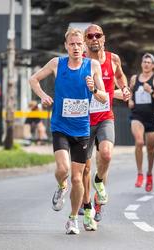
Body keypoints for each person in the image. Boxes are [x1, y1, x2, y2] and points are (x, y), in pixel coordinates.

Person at [29, 27, 107, 235]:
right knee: (63, 170)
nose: (75, 47)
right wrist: (43, 96)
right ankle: (61, 186)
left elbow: (104, 98)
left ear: (84, 47)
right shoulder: (57, 63)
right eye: (71, 44)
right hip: (61, 126)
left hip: (82, 129)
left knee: (77, 178)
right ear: (66, 46)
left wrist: (94, 89)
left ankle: (73, 219)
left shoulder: (93, 66)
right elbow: (33, 79)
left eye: (79, 44)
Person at [81, 24, 130, 222]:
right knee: (84, 167)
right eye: (90, 36)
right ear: (85, 41)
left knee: (107, 156)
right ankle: (87, 207)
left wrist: (124, 88)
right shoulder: (80, 61)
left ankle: (99, 183)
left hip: (104, 116)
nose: (94, 38)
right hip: (83, 119)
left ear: (103, 38)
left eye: (97, 35)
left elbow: (119, 76)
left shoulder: (113, 59)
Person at [128, 53, 154, 192]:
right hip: (137, 116)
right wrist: (130, 101)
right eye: (144, 61)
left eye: (149, 62)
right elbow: (129, 94)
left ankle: (149, 174)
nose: (146, 64)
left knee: (150, 149)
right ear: (141, 64)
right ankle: (139, 173)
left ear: (153, 65)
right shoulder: (134, 79)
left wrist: (151, 92)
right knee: (139, 142)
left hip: (152, 117)